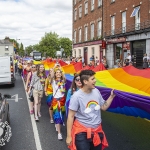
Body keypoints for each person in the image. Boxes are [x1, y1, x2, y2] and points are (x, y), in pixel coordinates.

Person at [66, 70, 116, 150]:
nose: (95, 81)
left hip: (97, 131)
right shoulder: (76, 96)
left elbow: (103, 107)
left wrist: (111, 97)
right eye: (92, 79)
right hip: (81, 132)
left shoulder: (96, 91)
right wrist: (69, 136)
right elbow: (71, 116)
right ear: (85, 81)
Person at [50, 68, 66, 140]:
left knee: (62, 114)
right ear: (55, 74)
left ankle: (57, 125)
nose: (58, 74)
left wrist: (61, 69)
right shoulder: (53, 81)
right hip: (56, 101)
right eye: (57, 73)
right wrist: (54, 67)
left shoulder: (63, 81)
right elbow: (51, 75)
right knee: (57, 116)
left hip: (62, 100)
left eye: (60, 72)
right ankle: (59, 133)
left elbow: (63, 91)